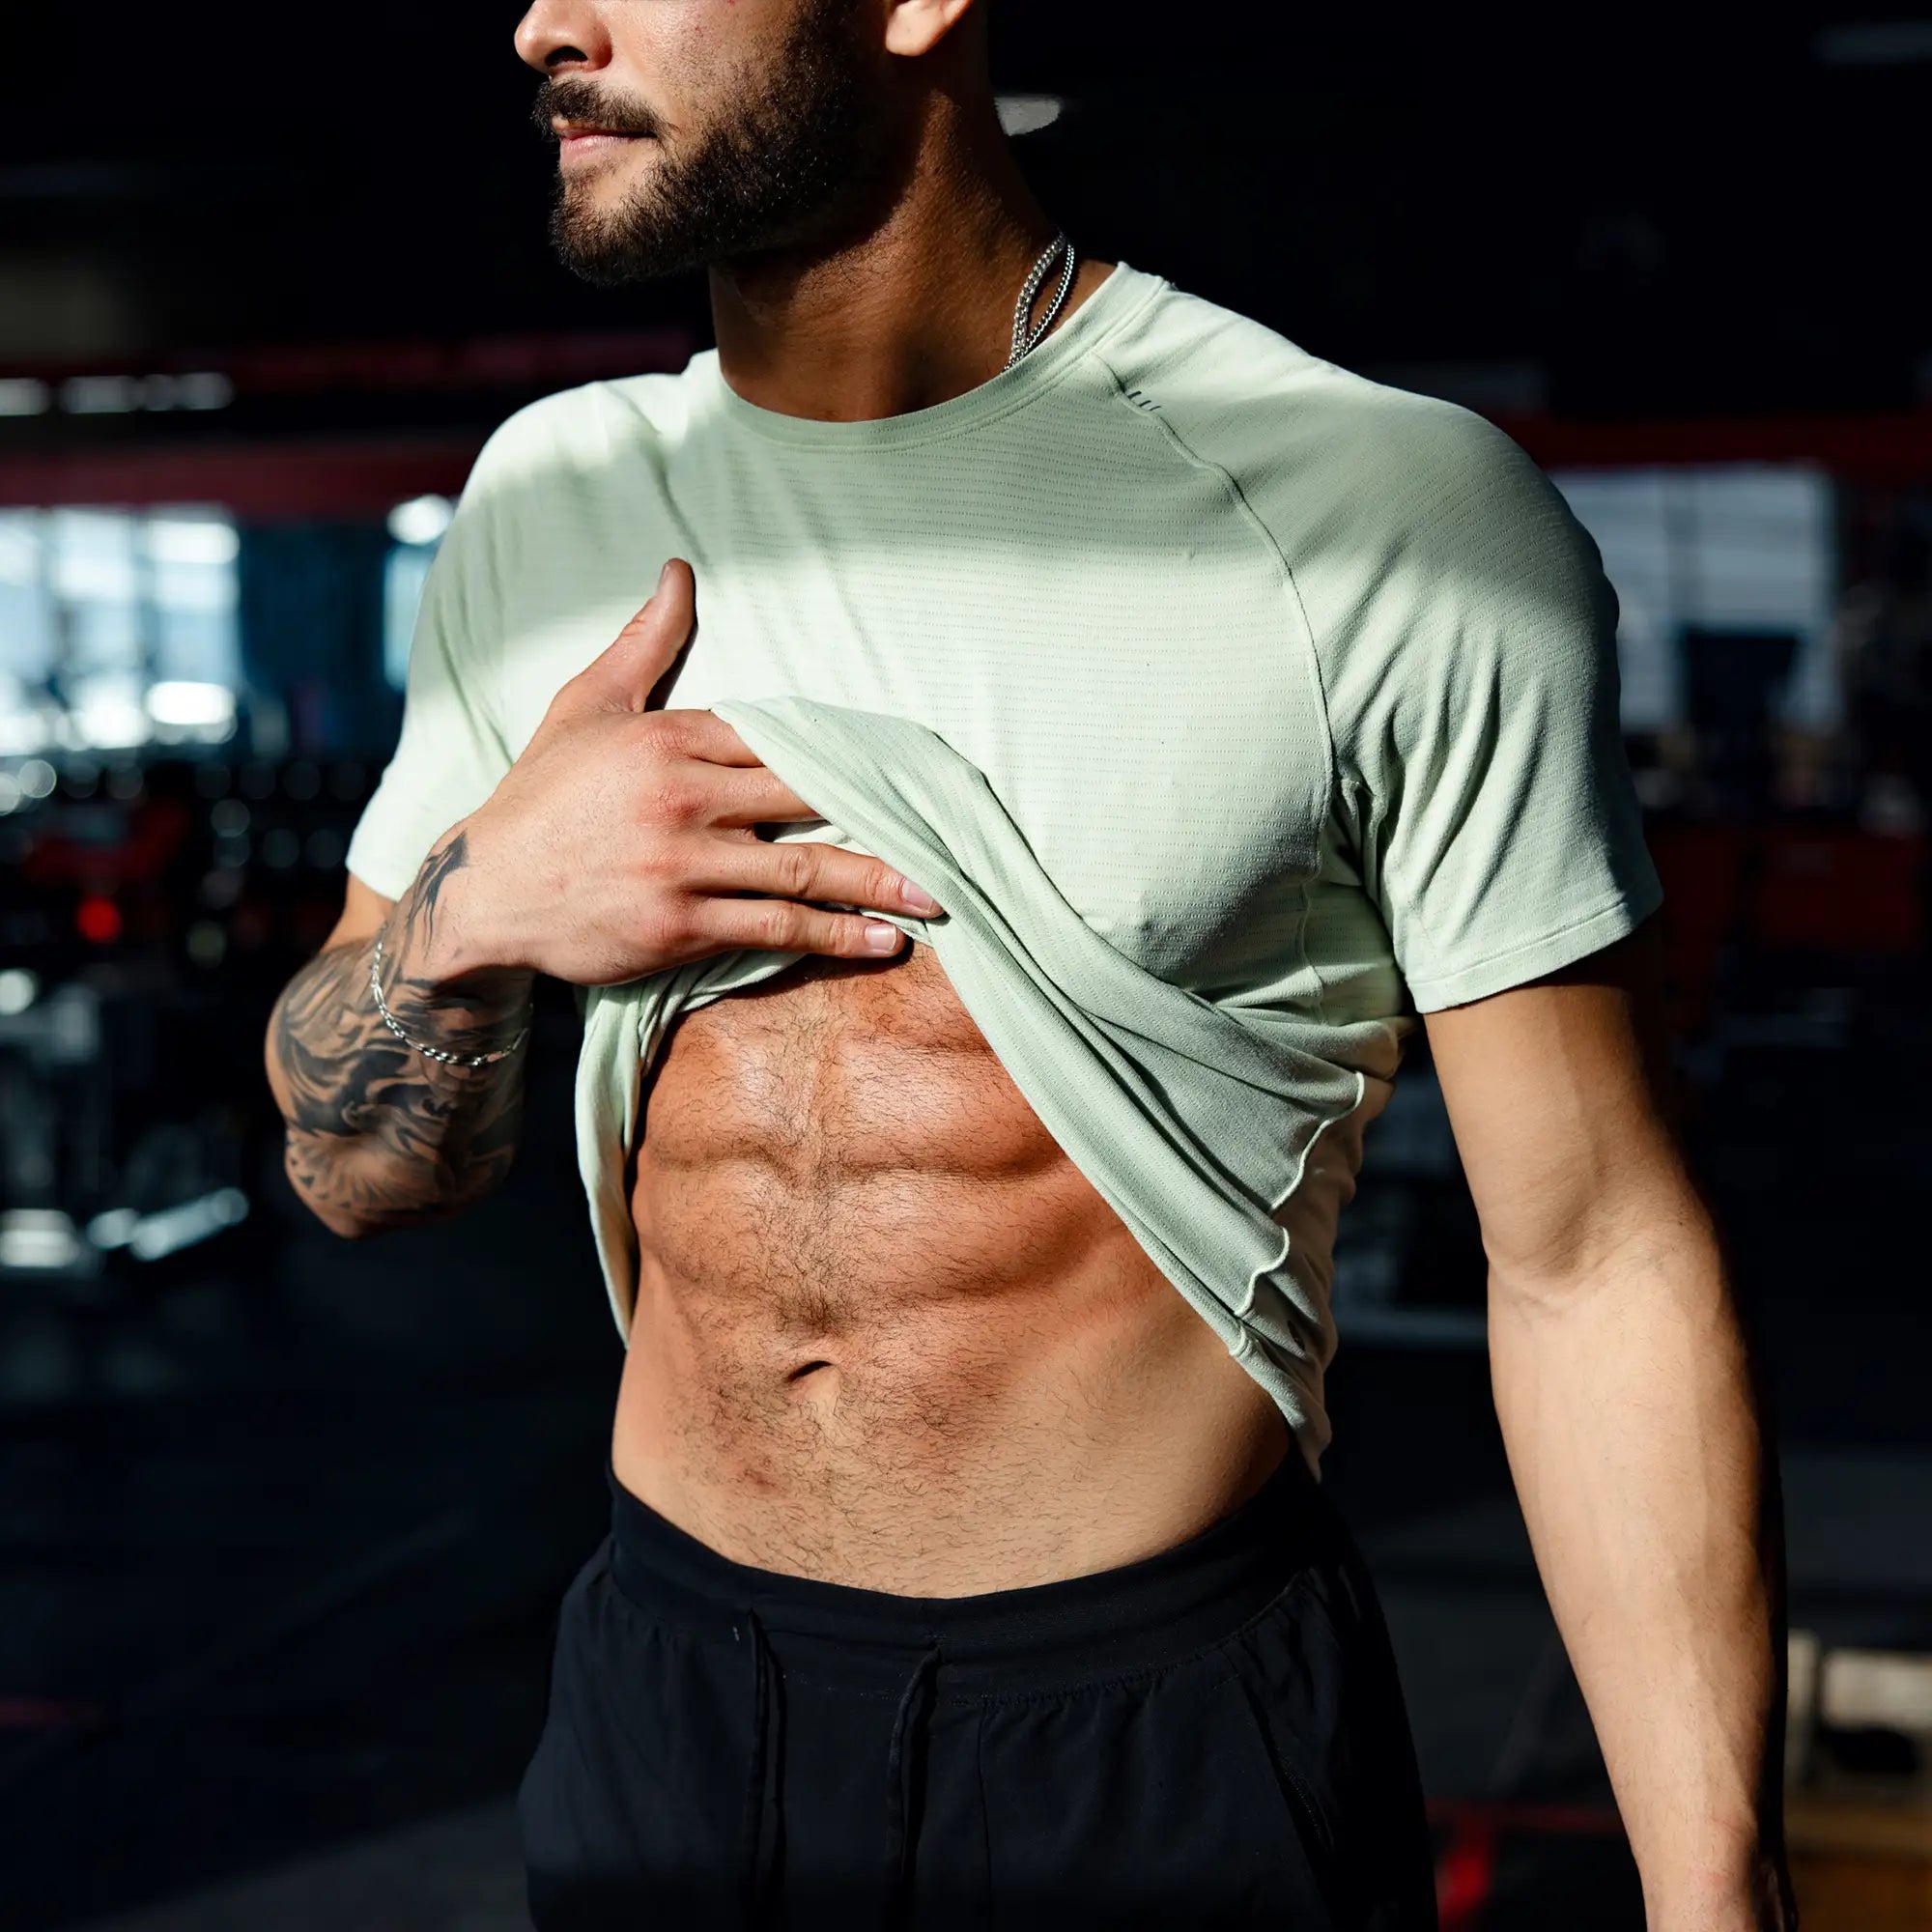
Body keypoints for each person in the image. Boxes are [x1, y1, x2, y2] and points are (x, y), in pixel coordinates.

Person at [262, 2, 1796, 1926]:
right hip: (670, 1695)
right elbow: (353, 1170)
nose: (539, 24)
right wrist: (476, 908)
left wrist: (1710, 1892)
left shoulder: (1379, 519)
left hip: (1150, 1730)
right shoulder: (551, 502)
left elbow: (1592, 1263)